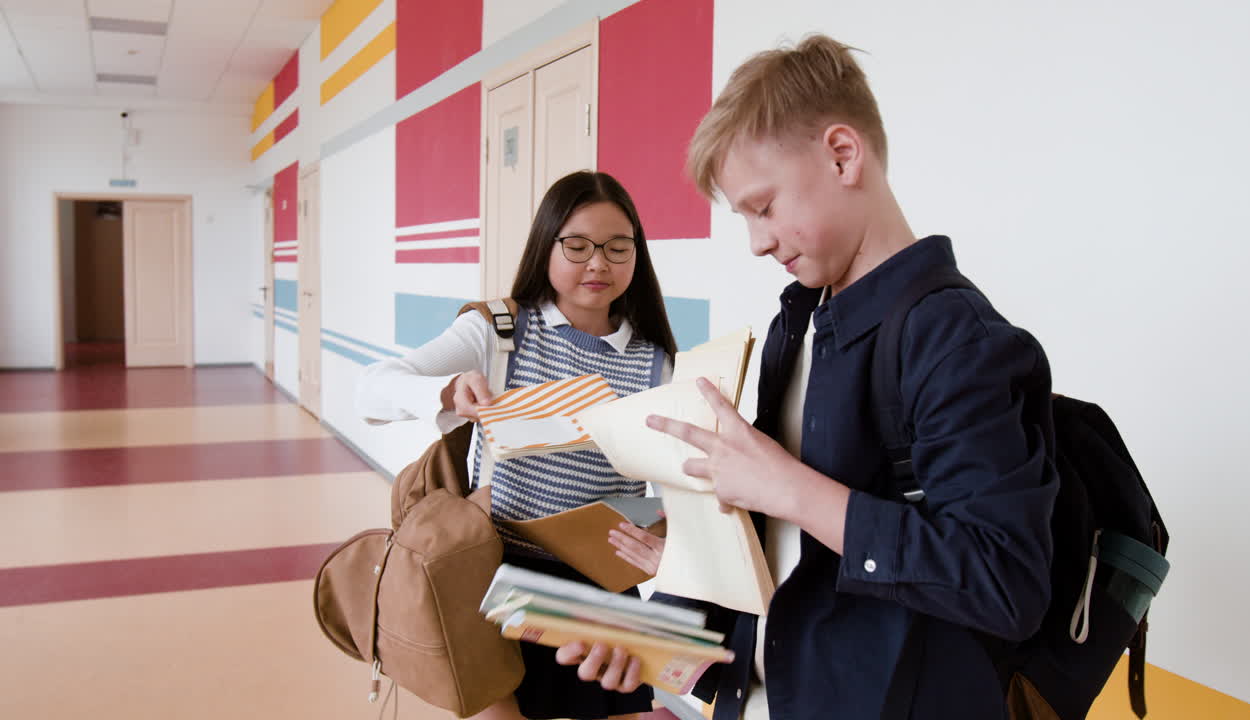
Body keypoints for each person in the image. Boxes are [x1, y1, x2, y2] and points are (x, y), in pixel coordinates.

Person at [557, 35, 1058, 720]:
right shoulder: (802, 322)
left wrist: (790, 489)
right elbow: (795, 571)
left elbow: (1006, 584)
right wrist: (669, 613)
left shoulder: (954, 339)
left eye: (763, 208)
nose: (757, 242)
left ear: (843, 155)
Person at [356, 170, 674, 720]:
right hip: (495, 577)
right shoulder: (501, 331)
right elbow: (371, 390)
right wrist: (446, 390)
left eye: (618, 247)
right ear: (545, 246)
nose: (598, 263)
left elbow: (665, 482)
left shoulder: (655, 361)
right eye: (577, 246)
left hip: (600, 584)